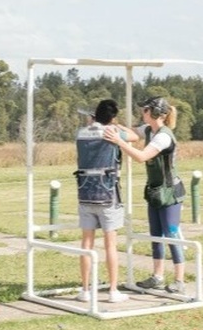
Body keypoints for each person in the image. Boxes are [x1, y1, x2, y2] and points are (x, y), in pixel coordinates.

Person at [104, 96, 187, 294]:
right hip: (156, 191)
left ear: (155, 113)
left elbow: (141, 157)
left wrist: (118, 141)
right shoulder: (150, 130)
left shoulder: (163, 136)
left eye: (146, 110)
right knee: (156, 235)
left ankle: (179, 280)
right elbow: (132, 134)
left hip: (170, 193)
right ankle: (157, 277)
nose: (143, 112)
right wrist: (114, 127)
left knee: (172, 234)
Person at [74, 99, 128, 303]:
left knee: (86, 243)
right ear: (112, 117)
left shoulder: (81, 133)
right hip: (107, 194)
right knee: (110, 245)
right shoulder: (113, 133)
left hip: (85, 192)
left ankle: (85, 290)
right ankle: (113, 291)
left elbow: (90, 133)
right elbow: (133, 136)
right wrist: (117, 127)